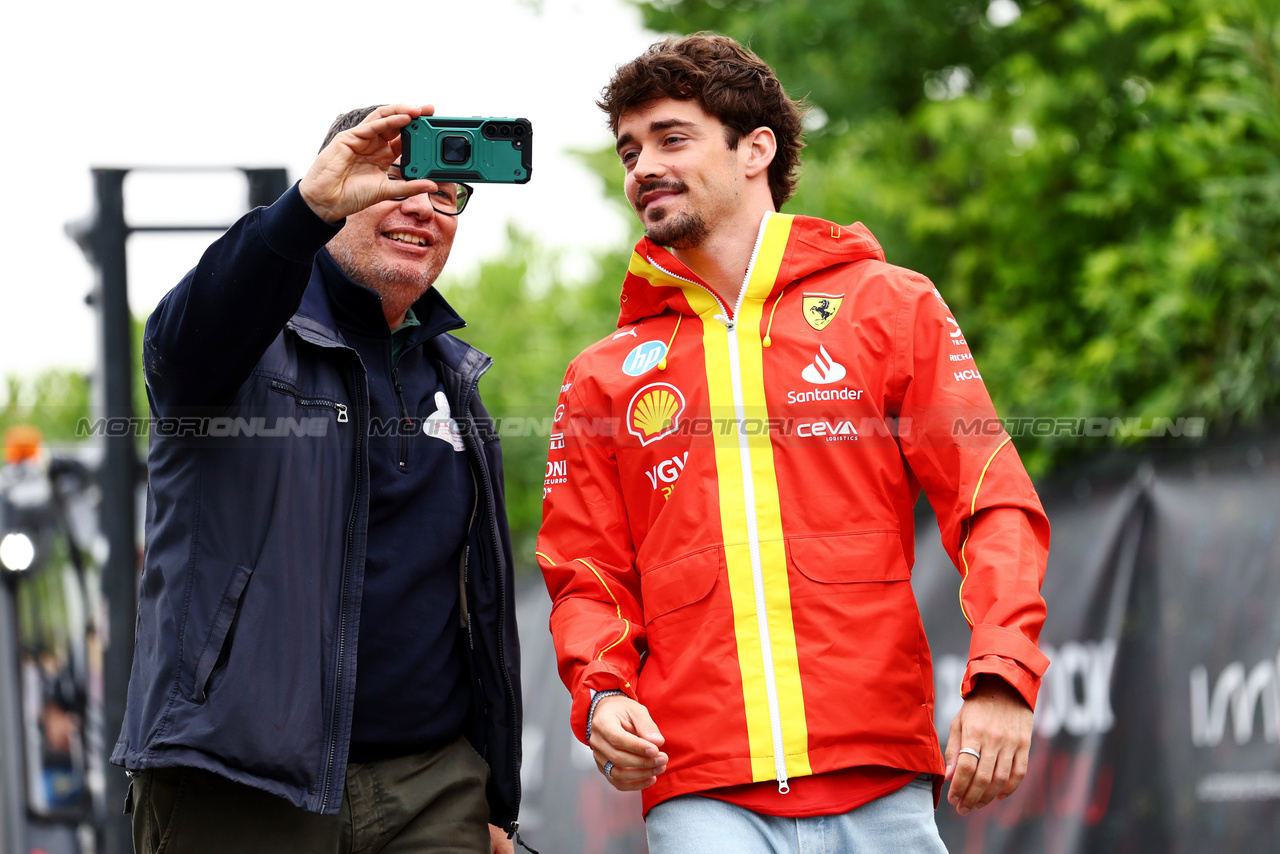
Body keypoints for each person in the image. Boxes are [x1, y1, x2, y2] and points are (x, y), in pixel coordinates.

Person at [536, 35, 1050, 853]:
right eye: (630, 150)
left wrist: (1002, 678)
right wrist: (601, 696)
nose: (642, 169)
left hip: (883, 780)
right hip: (700, 789)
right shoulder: (601, 374)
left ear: (756, 149)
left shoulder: (889, 306)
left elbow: (992, 503)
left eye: (672, 138)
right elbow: (585, 575)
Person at [112, 104, 523, 854]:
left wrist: (492, 792)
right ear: (340, 189)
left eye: (447, 192)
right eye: (397, 179)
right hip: (238, 782)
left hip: (432, 789)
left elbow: (480, 605)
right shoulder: (240, 338)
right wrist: (300, 210)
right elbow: (182, 342)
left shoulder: (455, 380)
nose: (423, 206)